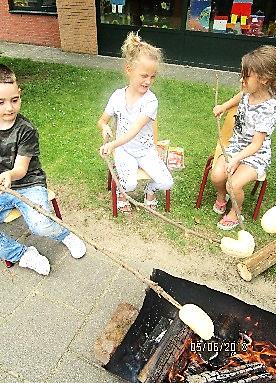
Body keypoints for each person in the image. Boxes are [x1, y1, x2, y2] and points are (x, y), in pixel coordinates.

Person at [0, 64, 86, 275]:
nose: (9, 108)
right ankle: (22, 254)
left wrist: (8, 175)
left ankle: (65, 234)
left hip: (27, 184)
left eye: (14, 100)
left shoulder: (26, 130)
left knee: (40, 225)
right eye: (0, 102)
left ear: (19, 94)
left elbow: (20, 169)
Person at [211, 45, 276, 230]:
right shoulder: (249, 91)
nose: (241, 79)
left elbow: (256, 145)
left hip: (255, 155)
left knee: (233, 184)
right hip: (237, 146)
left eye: (246, 76)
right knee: (216, 175)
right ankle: (222, 197)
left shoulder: (269, 108)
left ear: (264, 79)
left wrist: (236, 159)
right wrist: (224, 106)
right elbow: (240, 96)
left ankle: (235, 212)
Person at [98, 32, 173, 213]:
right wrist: (105, 127)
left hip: (145, 150)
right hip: (124, 151)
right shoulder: (117, 96)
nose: (148, 81)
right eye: (144, 75)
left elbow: (135, 129)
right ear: (129, 70)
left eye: (152, 77)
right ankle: (122, 193)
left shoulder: (150, 101)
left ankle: (150, 189)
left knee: (167, 182)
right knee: (129, 186)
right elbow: (102, 120)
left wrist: (113, 144)